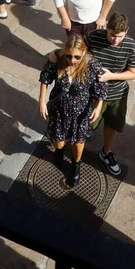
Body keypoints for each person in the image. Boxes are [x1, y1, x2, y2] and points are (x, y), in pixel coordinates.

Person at [37, 32, 106, 189]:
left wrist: (98, 106)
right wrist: (41, 100)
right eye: (69, 56)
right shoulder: (57, 59)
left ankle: (75, 166)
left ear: (83, 52)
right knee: (59, 143)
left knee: (78, 142)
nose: (72, 60)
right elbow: (45, 77)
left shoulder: (92, 65)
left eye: (77, 57)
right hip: (60, 110)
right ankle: (59, 152)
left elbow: (101, 86)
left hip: (80, 113)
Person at [83, 12, 135, 179]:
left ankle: (106, 151)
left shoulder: (131, 47)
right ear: (107, 28)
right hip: (93, 93)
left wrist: (110, 76)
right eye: (112, 35)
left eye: (120, 36)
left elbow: (133, 73)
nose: (115, 40)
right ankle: (85, 134)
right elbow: (80, 54)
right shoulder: (93, 37)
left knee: (112, 123)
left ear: (126, 31)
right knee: (89, 121)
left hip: (117, 94)